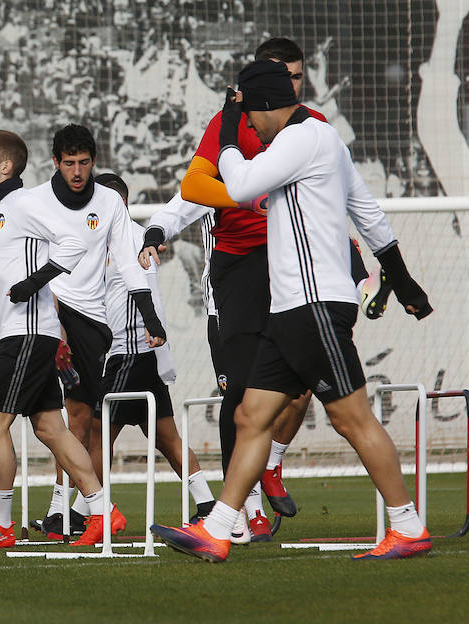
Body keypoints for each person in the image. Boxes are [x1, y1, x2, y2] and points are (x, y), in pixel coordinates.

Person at [151, 59, 433, 562]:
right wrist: (404, 279)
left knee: (353, 419)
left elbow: (237, 187)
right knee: (251, 415)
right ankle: (218, 528)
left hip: (314, 305)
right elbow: (367, 214)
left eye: (252, 117)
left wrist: (229, 133)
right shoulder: (319, 139)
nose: (253, 128)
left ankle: (408, 526)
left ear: (260, 106)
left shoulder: (303, 139)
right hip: (292, 309)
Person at [143, 38, 328, 542]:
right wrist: (156, 231)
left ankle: (271, 465)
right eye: (279, 75)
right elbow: (192, 190)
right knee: (242, 394)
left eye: (296, 76)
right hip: (233, 278)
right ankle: (240, 509)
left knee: (306, 383)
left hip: (293, 271)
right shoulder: (229, 125)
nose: (289, 85)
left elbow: (335, 192)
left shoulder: (313, 127)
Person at [0, 129, 129, 547]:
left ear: (5, 166)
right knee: (51, 429)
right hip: (23, 331)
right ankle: (103, 511)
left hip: (28, 333)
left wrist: (34, 283)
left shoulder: (23, 203)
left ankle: (1, 522)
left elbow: (74, 242)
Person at [33, 124, 167, 540]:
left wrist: (152, 318)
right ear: (55, 162)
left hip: (92, 328)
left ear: (94, 163)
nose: (77, 171)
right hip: (47, 316)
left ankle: (78, 511)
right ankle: (78, 510)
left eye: (84, 163)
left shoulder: (109, 203)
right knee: (29, 419)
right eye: (69, 163)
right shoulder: (34, 202)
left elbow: (130, 265)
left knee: (76, 420)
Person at [90, 173, 215, 522]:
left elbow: (144, 287)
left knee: (98, 433)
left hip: (132, 349)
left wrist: (151, 328)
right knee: (165, 436)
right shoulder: (102, 239)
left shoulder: (130, 237)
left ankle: (89, 512)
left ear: (119, 203)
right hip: (130, 352)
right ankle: (207, 505)